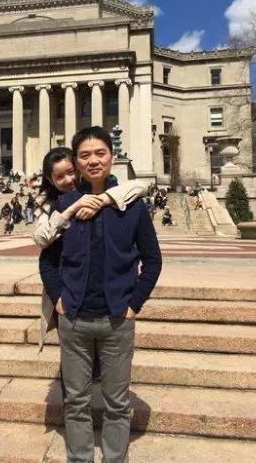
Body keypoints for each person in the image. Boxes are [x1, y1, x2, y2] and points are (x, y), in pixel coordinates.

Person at [40, 127, 162, 463]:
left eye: (100, 153)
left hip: (116, 320)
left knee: (117, 403)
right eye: (85, 155)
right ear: (76, 162)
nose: (93, 160)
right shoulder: (64, 205)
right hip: (74, 319)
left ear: (112, 155)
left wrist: (134, 304)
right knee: (75, 402)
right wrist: (59, 299)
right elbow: (47, 261)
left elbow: (152, 260)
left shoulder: (132, 206)